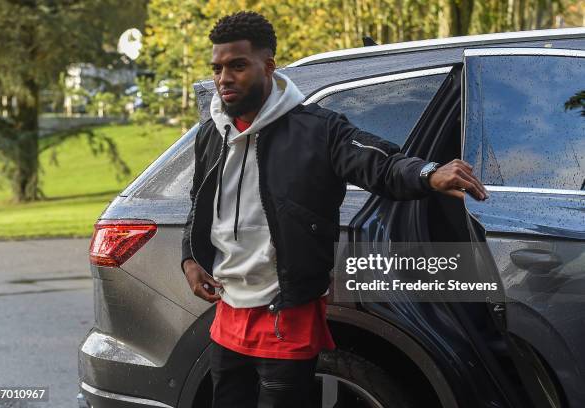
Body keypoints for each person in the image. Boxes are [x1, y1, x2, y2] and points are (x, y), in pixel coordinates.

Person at [181, 11, 487, 408]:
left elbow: (381, 164)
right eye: (218, 68)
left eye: (238, 65)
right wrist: (190, 257)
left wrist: (429, 172)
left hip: (285, 308)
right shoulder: (211, 133)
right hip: (227, 308)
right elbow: (198, 205)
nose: (224, 78)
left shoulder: (318, 129)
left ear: (268, 66)